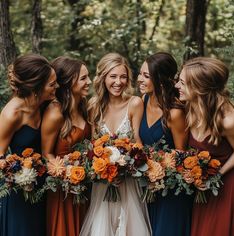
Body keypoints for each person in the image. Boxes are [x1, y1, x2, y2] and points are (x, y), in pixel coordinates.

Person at [80, 52, 151, 236]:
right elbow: (93, 147)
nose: (118, 82)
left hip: (127, 183)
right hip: (102, 184)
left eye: (123, 77)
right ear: (103, 77)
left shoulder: (134, 103)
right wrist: (103, 169)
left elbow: (137, 143)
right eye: (113, 76)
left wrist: (126, 167)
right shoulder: (93, 106)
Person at [175, 57, 234, 236]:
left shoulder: (229, 120)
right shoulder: (189, 108)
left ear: (200, 88)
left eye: (182, 83)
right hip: (203, 189)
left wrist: (217, 175)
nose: (177, 86)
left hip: (226, 187)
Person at [0, 54, 57, 236]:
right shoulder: (12, 113)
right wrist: (20, 173)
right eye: (52, 84)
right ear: (36, 87)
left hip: (41, 187)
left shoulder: (44, 105)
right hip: (19, 189)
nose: (57, 87)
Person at [138, 52, 193, 236]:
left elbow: (182, 154)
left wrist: (159, 166)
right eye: (140, 74)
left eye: (146, 76)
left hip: (171, 191)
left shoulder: (175, 112)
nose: (140, 79)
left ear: (160, 80)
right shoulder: (142, 102)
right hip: (147, 188)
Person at [41, 56, 91, 236]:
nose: (89, 82)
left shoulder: (84, 107)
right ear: (69, 81)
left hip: (83, 187)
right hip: (62, 189)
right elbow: (46, 154)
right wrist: (67, 174)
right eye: (84, 78)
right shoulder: (55, 113)